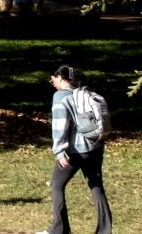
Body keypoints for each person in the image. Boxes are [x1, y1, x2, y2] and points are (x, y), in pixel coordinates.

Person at [45, 63, 112, 234]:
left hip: (76, 151)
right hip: (95, 147)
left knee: (56, 185)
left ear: (60, 78)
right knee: (96, 187)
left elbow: (60, 125)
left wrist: (59, 151)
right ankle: (105, 230)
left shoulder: (60, 97)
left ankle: (59, 230)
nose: (52, 83)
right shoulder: (84, 93)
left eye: (52, 80)